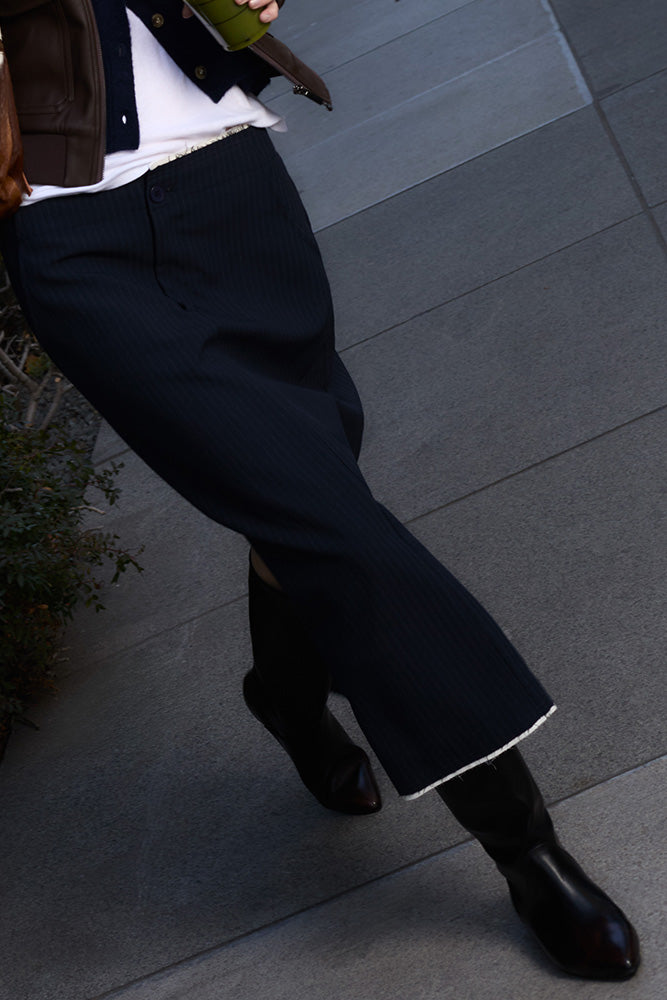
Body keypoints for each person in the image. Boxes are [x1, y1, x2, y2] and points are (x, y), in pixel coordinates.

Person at [0, 0, 639, 981]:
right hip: (73, 234)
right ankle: (526, 851)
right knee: (334, 529)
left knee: (311, 483)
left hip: (224, 169)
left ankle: (287, 699)